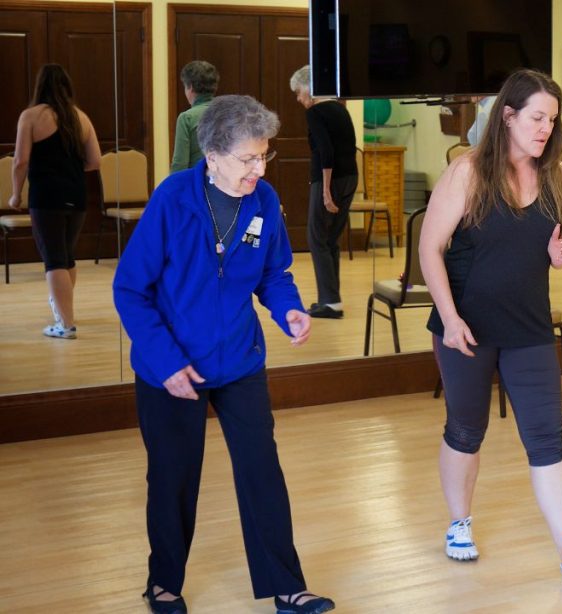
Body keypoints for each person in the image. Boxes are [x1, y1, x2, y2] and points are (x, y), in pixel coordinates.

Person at [113, 95, 335, 614]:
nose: (258, 169)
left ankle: (287, 585)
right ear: (212, 155)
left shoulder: (262, 201)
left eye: (265, 157)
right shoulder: (172, 200)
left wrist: (290, 311)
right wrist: (165, 362)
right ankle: (163, 583)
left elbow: (273, 273)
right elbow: (130, 290)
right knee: (173, 477)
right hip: (171, 368)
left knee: (262, 471)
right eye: (247, 159)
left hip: (238, 361)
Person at [420, 69, 562, 585]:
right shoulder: (467, 172)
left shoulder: (560, 177)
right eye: (536, 118)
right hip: (467, 325)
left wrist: (560, 255)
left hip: (529, 327)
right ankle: (458, 523)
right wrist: (448, 318)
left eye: (552, 120)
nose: (545, 129)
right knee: (466, 430)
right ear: (506, 117)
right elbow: (430, 248)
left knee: (547, 438)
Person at [7, 64, 101, 340]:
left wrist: (15, 193)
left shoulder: (31, 116)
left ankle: (66, 325)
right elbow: (94, 161)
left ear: (40, 87)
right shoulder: (81, 117)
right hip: (76, 195)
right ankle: (64, 311)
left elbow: (20, 160)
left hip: (46, 197)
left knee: (54, 259)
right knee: (67, 257)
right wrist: (68, 169)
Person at [289, 65, 358, 319]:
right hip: (350, 177)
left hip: (329, 180)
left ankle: (329, 301)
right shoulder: (341, 110)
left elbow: (325, 152)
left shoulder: (316, 112)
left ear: (309, 88)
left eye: (298, 92)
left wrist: (326, 191)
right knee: (331, 240)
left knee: (317, 237)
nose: (298, 98)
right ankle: (332, 300)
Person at [170, 60, 219, 172]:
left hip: (197, 181)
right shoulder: (228, 112)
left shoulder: (187, 118)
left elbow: (180, 164)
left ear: (190, 88)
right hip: (225, 181)